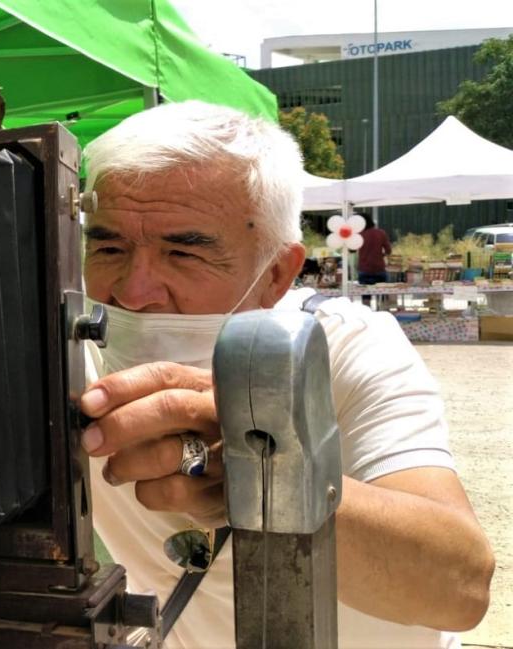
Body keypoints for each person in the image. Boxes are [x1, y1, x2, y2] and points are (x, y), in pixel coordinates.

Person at [77, 101, 493, 648]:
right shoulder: (71, 351)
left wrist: (266, 475)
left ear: (277, 273)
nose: (133, 290)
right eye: (108, 246)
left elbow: (459, 586)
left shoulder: (342, 344)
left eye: (184, 252)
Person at [357, 214, 392, 307]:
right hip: (379, 268)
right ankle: (383, 314)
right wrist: (381, 255)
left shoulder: (359, 235)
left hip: (364, 269)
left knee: (365, 298)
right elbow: (389, 250)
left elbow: (351, 249)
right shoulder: (381, 233)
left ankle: (366, 316)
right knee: (383, 296)